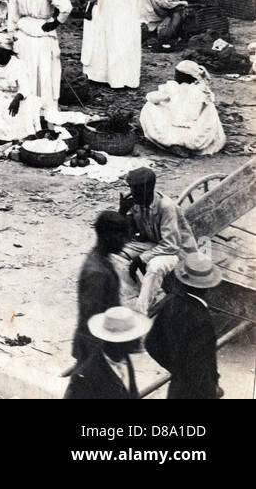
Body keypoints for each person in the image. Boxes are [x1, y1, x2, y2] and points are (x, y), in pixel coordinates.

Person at [116, 167, 200, 314]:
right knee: (115, 255)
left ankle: (140, 312)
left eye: (136, 189)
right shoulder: (137, 203)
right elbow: (126, 234)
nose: (132, 193)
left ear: (148, 189)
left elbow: (171, 245)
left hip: (178, 251)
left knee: (155, 267)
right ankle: (141, 295)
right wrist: (122, 212)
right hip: (155, 244)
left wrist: (141, 259)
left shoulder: (165, 206)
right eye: (131, 188)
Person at [144, 254, 222, 399]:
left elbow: (151, 344)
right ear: (209, 287)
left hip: (177, 388)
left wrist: (177, 369)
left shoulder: (170, 304)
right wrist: (212, 388)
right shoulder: (203, 321)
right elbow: (200, 366)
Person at [8, 0, 71, 113]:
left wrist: (12, 35)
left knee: (26, 70)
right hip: (43, 32)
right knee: (45, 71)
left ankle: (27, 107)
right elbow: (66, 7)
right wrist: (56, 22)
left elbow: (12, 17)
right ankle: (44, 108)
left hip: (23, 33)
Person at [71, 211, 133, 365]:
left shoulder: (102, 261)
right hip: (96, 351)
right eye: (121, 236)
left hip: (102, 347)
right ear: (107, 236)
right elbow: (91, 319)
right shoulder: (96, 273)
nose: (125, 241)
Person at [140, 60, 226, 156]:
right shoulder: (203, 90)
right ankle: (191, 147)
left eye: (177, 74)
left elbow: (152, 98)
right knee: (210, 108)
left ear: (185, 76)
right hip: (197, 136)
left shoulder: (174, 88)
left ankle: (174, 145)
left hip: (173, 132)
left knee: (149, 106)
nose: (175, 76)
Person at [64, 306, 150, 400]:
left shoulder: (124, 359)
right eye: (133, 337)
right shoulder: (85, 375)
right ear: (118, 342)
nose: (139, 341)